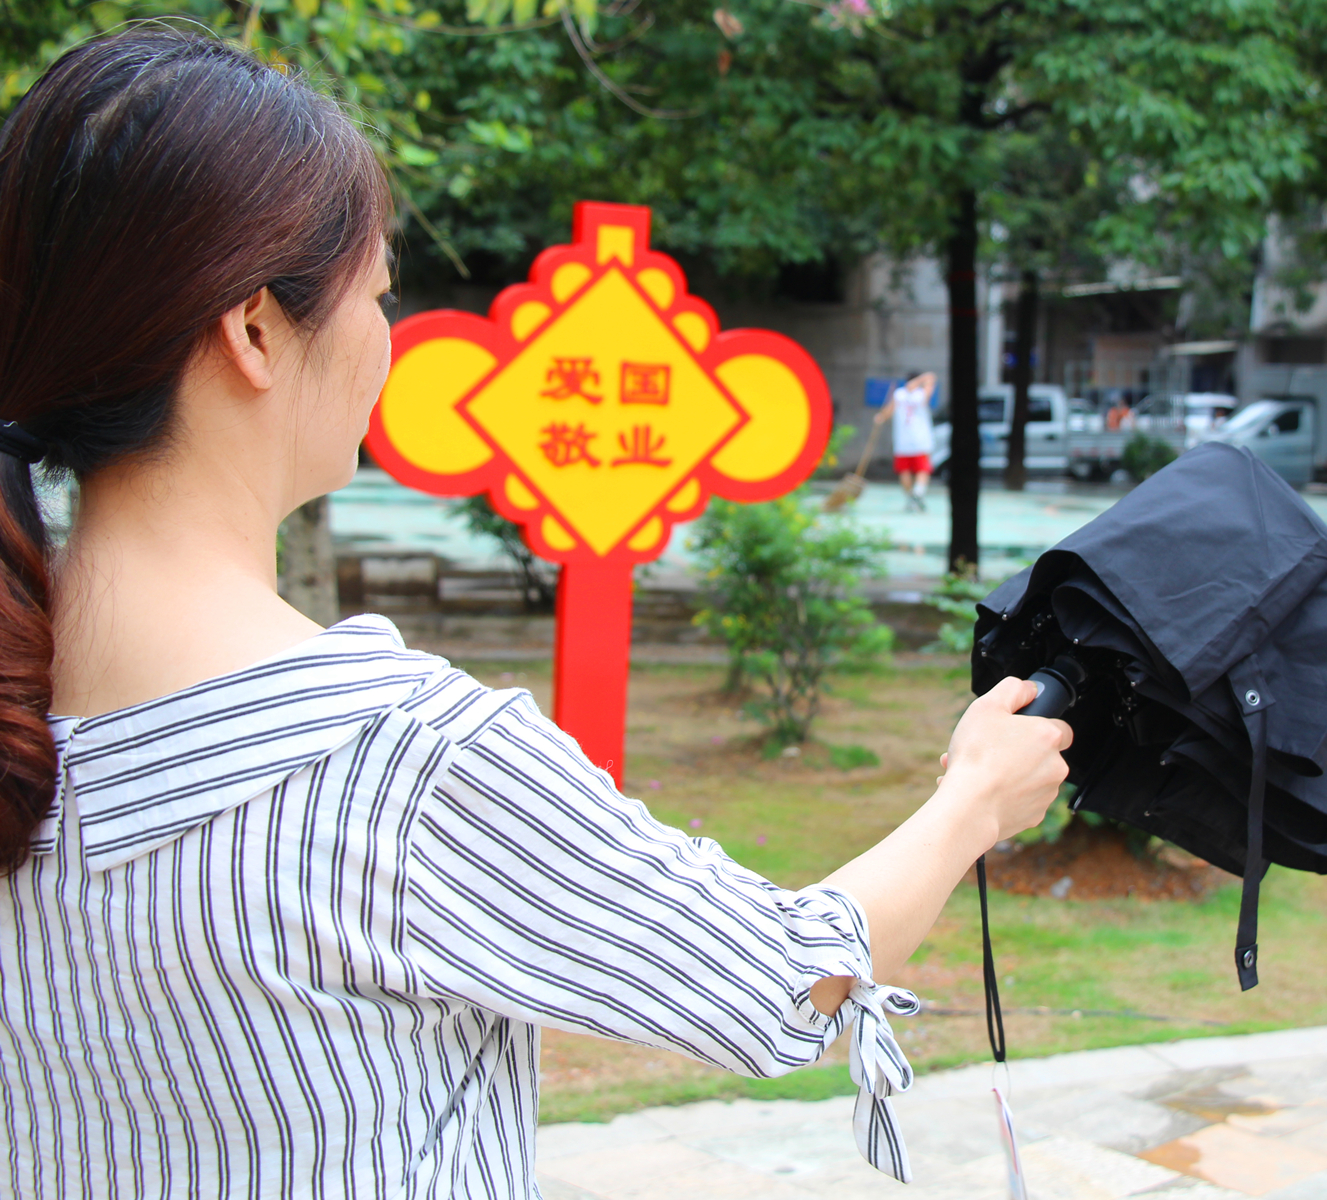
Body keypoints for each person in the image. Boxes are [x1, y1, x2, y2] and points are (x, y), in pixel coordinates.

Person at [0, 31, 1071, 1196]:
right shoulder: (400, 766)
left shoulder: (29, 712)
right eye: (377, 296)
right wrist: (973, 796)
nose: (386, 340)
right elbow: (783, 982)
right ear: (255, 332)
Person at [875, 370, 936, 511]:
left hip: (903, 441)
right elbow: (931, 378)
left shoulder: (899, 394)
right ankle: (917, 494)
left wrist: (880, 417)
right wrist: (922, 380)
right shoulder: (920, 394)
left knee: (905, 471)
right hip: (920, 440)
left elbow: (887, 413)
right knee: (922, 469)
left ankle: (912, 498)